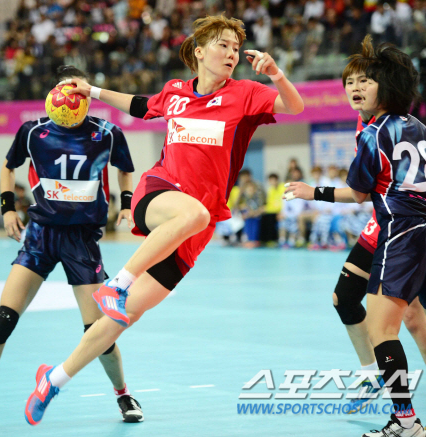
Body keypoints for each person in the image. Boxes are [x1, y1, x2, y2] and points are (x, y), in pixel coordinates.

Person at [24, 14, 303, 425]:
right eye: (223, 45)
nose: (232, 53)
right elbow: (141, 106)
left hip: (197, 226)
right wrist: (93, 91)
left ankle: (53, 379)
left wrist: (276, 74)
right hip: (159, 191)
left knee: (122, 318)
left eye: (235, 47)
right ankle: (116, 285)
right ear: (199, 52)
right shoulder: (175, 92)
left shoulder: (245, 94)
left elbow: (294, 106)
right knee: (191, 215)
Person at [0, 65, 143, 431]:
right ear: (53, 93)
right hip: (40, 235)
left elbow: (125, 169)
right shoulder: (33, 131)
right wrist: (7, 209)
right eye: (64, 88)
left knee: (97, 330)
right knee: (3, 319)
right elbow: (8, 167)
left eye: (77, 89)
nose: (70, 95)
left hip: (81, 239)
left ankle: (123, 394)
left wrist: (127, 205)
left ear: (86, 93)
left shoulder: (107, 134)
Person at [286, 41, 426, 437]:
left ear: (386, 86)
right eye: (351, 82)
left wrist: (312, 192)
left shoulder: (373, 132)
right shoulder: (420, 127)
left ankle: (406, 422)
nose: (356, 87)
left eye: (366, 81)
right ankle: (406, 401)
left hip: (400, 233)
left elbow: (359, 194)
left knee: (382, 332)